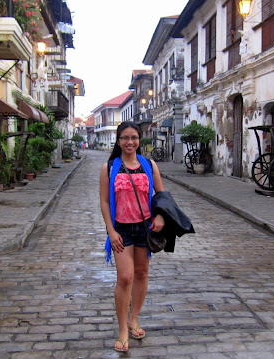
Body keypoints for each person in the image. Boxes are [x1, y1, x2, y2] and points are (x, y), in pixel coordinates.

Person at [99, 121, 165, 352]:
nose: (130, 142)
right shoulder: (109, 168)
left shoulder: (149, 165)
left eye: (134, 137)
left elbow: (162, 195)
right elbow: (105, 202)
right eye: (125, 137)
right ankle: (122, 330)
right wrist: (111, 230)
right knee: (125, 277)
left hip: (145, 229)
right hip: (122, 230)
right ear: (118, 140)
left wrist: (160, 217)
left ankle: (133, 319)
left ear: (139, 140)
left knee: (142, 273)